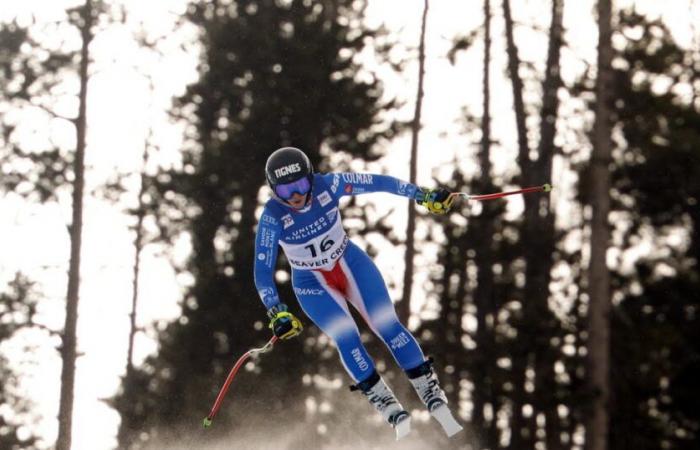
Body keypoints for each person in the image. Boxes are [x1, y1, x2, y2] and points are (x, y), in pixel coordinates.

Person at [253, 147, 462, 439]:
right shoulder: (272, 217)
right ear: (274, 190)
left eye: (300, 185)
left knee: (386, 323)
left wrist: (422, 195)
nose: (296, 196)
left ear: (311, 178)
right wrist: (276, 311)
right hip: (313, 284)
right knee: (346, 336)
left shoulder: (330, 185)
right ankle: (387, 404)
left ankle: (430, 391)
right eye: (286, 190)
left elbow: (380, 182)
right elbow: (262, 272)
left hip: (350, 264)